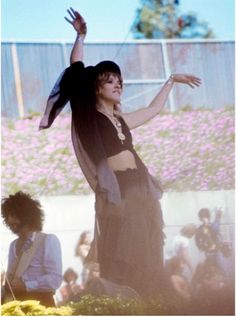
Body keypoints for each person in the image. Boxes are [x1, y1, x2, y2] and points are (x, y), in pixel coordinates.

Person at [39, 8, 201, 298]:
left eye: (120, 81)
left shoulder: (122, 121)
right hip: (117, 189)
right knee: (120, 249)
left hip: (141, 187)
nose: (118, 85)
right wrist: (81, 36)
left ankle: (147, 299)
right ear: (97, 86)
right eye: (110, 80)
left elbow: (152, 110)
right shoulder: (89, 115)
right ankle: (123, 301)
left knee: (147, 248)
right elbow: (76, 67)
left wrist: (170, 81)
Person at [1, 191, 63, 307]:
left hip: (41, 304)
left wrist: (27, 285)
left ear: (27, 215)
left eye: (14, 214)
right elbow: (10, 280)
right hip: (15, 304)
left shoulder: (48, 240)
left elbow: (55, 279)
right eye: (7, 216)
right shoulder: (13, 245)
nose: (10, 220)